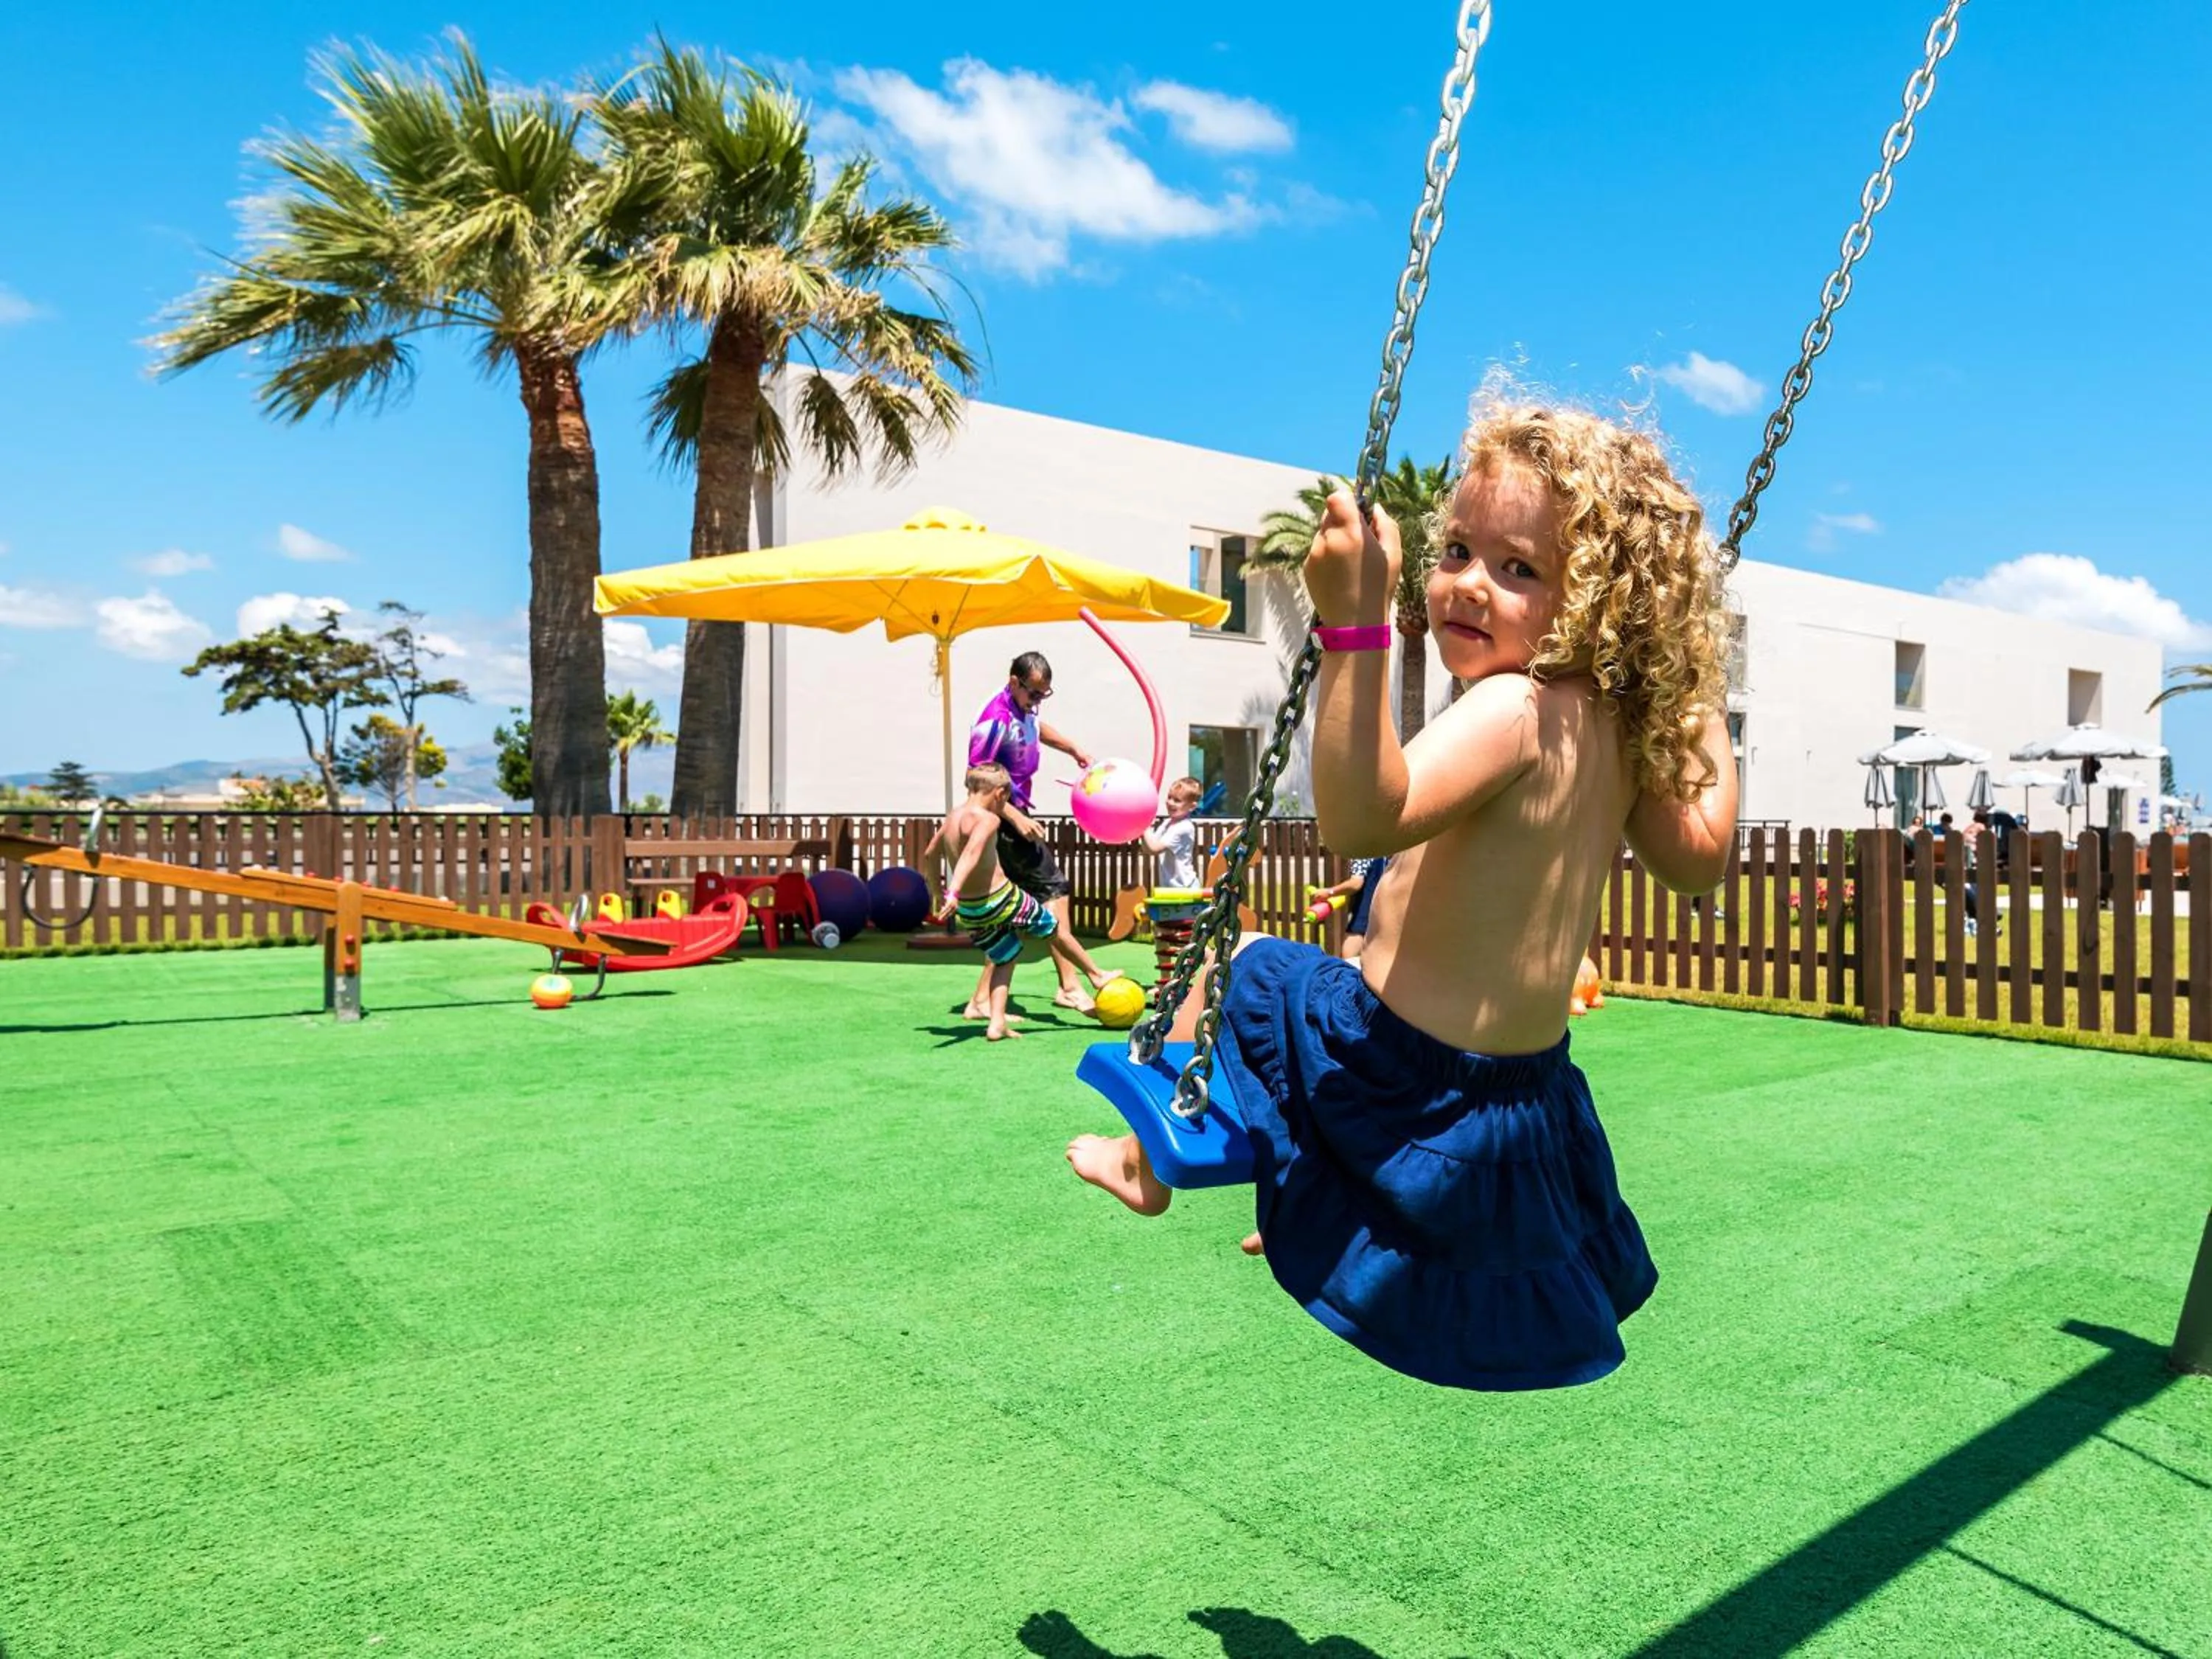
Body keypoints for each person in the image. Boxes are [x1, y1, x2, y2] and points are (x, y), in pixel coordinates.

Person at [1067, 402, 1739, 1391]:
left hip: (1397, 1062)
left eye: (1520, 569)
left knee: (1246, 960)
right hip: (1517, 1091)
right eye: (1459, 549)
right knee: (1338, 977)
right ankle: (1309, 1192)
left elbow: (1367, 817)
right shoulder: (1612, 734)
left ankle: (1145, 1165)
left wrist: (1353, 627)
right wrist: (1696, 701)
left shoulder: (1514, 710)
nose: (1470, 584)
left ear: (1598, 602)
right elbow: (1698, 859)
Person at [929, 763, 1124, 1042]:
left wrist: (939, 891)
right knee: (1054, 929)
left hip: (971, 911)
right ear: (1000, 794)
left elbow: (929, 854)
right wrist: (953, 891)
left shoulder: (951, 818)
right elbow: (972, 853)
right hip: (1001, 899)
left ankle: (997, 1022)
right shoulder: (988, 819)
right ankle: (1096, 975)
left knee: (1005, 956)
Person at [964, 651, 1095, 1017]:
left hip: (1013, 813)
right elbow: (975, 779)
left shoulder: (1023, 709)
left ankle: (981, 999)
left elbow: (1036, 727)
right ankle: (1070, 985)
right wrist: (1013, 817)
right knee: (1053, 889)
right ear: (1013, 682)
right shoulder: (993, 722)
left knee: (1016, 908)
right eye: (1034, 694)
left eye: (1044, 695)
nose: (1038, 702)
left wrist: (1072, 747)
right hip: (1001, 817)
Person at [1140, 776, 1206, 889]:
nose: (1171, 803)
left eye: (1177, 800)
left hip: (1186, 887)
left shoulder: (1184, 827)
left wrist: (1144, 826)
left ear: (1192, 807)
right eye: (1169, 797)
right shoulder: (1167, 823)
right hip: (1171, 887)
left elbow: (1155, 848)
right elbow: (1148, 850)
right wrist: (1141, 830)